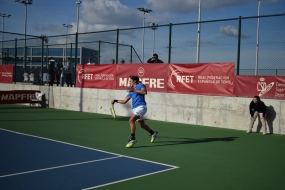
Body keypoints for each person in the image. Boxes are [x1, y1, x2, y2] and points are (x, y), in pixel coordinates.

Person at [111, 75, 158, 148]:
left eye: (130, 81)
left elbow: (144, 92)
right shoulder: (131, 91)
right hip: (135, 109)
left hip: (141, 107)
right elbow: (124, 101)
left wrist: (134, 90)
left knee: (131, 120)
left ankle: (132, 139)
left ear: (134, 81)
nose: (129, 82)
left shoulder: (141, 85)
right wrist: (115, 100)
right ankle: (153, 133)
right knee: (142, 125)